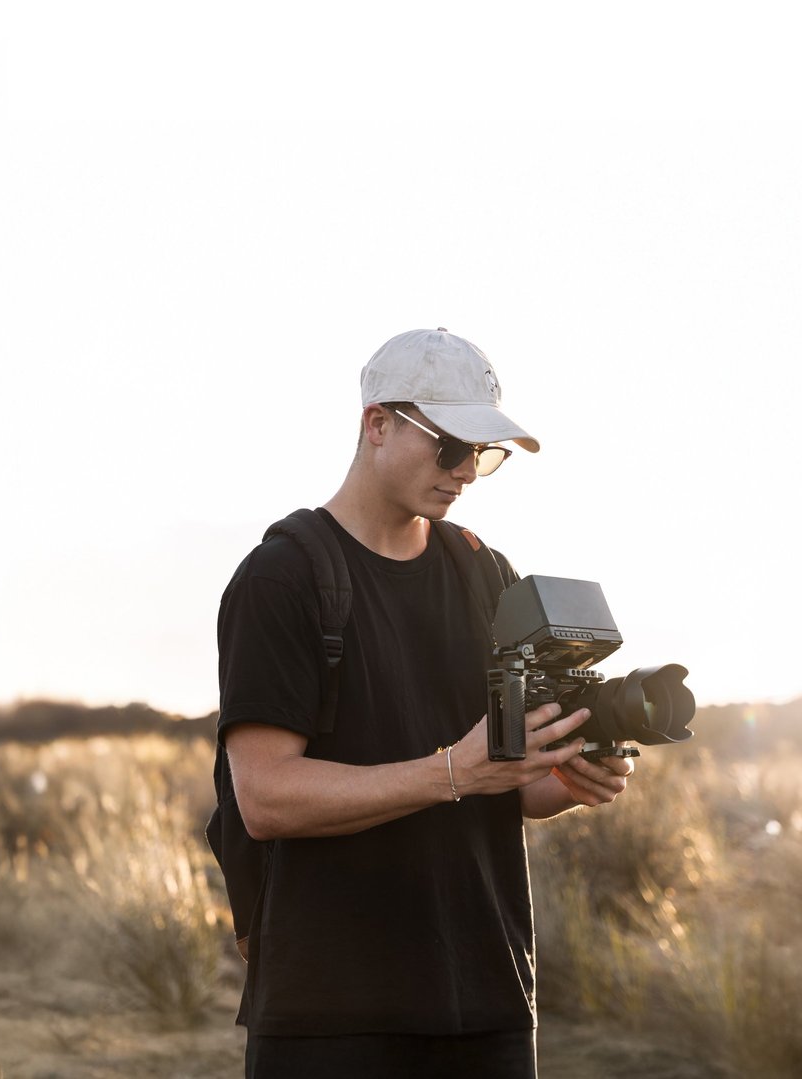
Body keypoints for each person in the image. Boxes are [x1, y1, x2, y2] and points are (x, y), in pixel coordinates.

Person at [216, 328, 634, 1078]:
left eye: (483, 454)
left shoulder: (484, 572)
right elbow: (266, 797)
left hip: (490, 1000)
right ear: (377, 423)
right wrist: (453, 771)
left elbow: (504, 778)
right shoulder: (283, 577)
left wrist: (567, 779)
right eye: (449, 447)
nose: (467, 472)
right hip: (331, 1015)